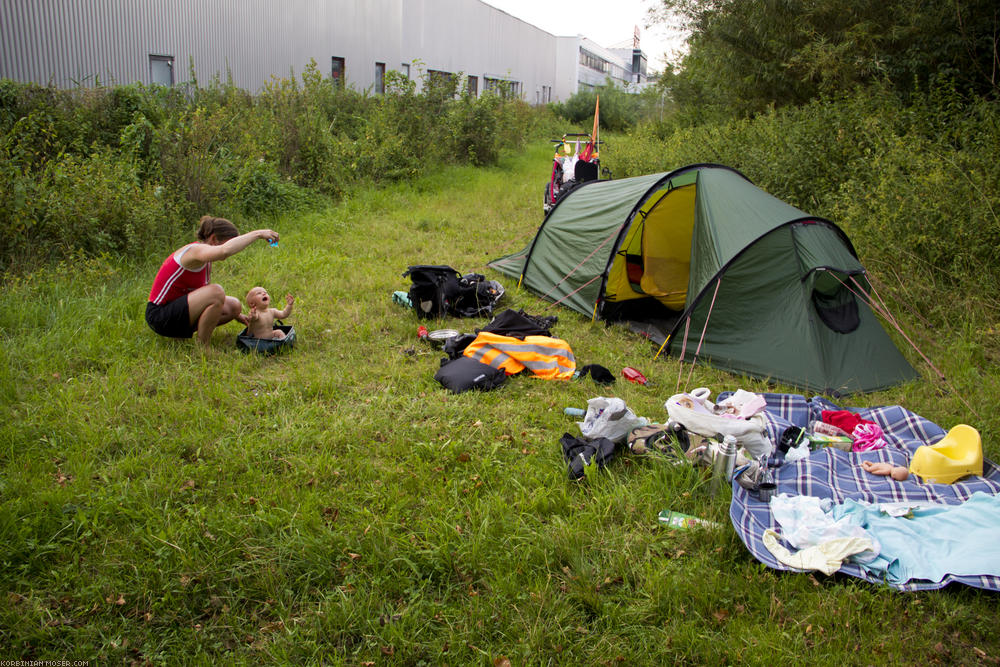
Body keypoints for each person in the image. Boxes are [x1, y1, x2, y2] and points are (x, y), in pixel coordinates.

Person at [146, 215, 279, 347]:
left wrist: (238, 316)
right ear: (214, 238)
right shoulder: (194, 250)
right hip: (159, 316)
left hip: (176, 313)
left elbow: (203, 296)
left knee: (234, 306)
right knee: (216, 291)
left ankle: (182, 334)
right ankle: (203, 346)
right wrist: (259, 234)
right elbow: (224, 251)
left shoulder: (205, 261)